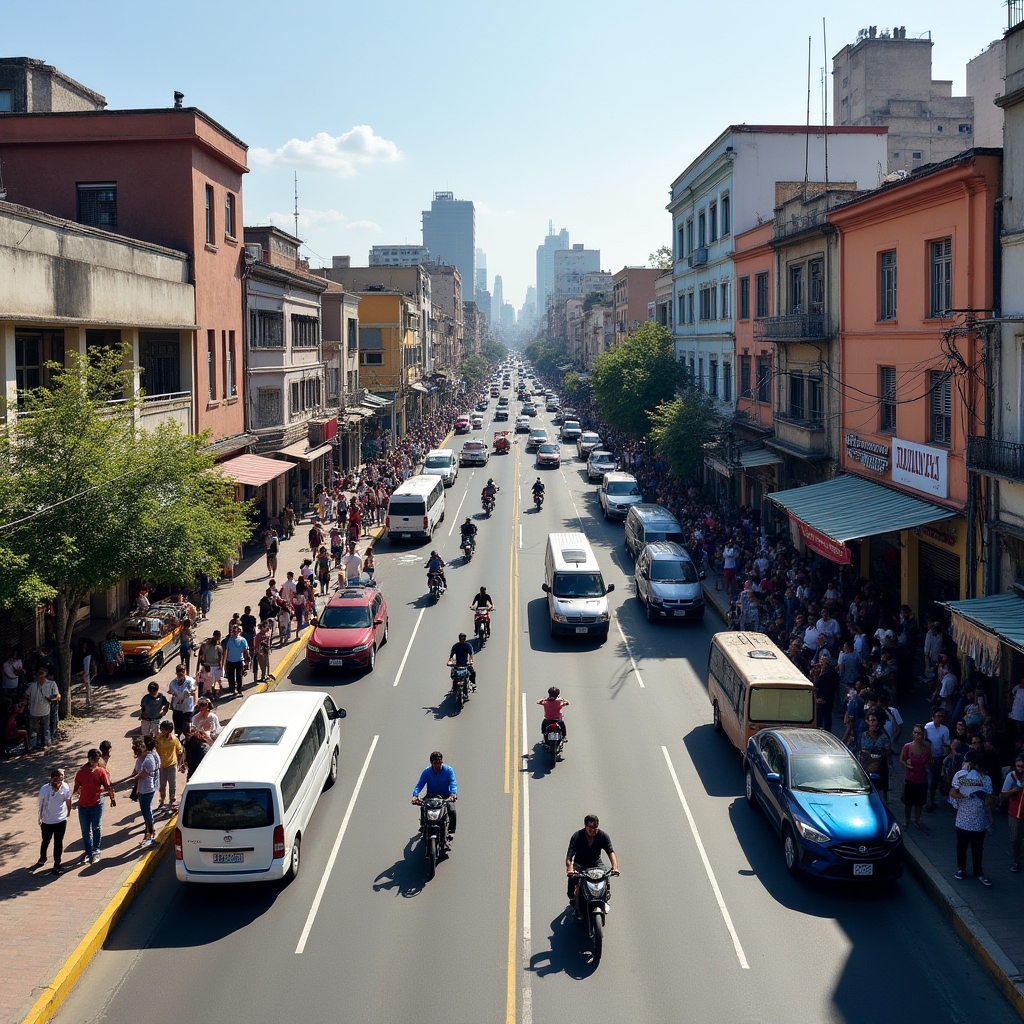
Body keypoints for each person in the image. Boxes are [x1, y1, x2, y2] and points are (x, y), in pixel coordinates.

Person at [950, 751, 993, 886]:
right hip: (963, 818)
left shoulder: (986, 779)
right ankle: (961, 868)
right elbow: (953, 792)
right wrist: (964, 796)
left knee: (978, 847)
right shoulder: (962, 776)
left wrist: (987, 800)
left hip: (979, 819)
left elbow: (989, 797)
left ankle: (978, 871)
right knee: (961, 846)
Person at [565, 814, 620, 909]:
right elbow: (569, 857)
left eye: (595, 827)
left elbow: (610, 852)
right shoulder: (577, 837)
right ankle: (573, 899)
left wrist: (615, 867)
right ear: (585, 825)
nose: (593, 830)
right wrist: (570, 868)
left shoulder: (603, 836)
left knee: (605, 876)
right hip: (580, 863)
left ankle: (606, 897)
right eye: (591, 827)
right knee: (572, 879)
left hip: (596, 862)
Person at [72, 748, 116, 865]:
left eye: (98, 760)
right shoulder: (81, 773)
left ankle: (96, 851)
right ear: (89, 759)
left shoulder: (101, 771)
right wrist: (75, 796)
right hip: (83, 806)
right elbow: (76, 789)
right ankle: (88, 852)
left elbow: (107, 786)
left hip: (97, 804)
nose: (96, 762)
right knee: (85, 831)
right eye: (94, 760)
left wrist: (112, 798)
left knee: (96, 828)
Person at [411, 751, 458, 848]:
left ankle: (450, 832)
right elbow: (419, 785)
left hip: (445, 796)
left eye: (439, 762)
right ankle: (424, 825)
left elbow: (453, 783)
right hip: (431, 795)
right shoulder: (427, 772)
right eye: (435, 763)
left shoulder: (449, 770)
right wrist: (415, 795)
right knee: (423, 807)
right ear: (431, 763)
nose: (438, 765)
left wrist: (453, 794)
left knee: (452, 811)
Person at [35, 768, 72, 874]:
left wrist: (68, 811)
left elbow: (68, 800)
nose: (57, 782)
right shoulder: (45, 789)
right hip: (47, 820)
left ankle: (57, 863)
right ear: (51, 779)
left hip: (60, 820)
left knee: (58, 842)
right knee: (45, 840)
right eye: (55, 780)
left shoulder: (65, 787)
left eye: (59, 780)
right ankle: (42, 858)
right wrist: (40, 818)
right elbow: (40, 804)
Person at [128, 735, 161, 847]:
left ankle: (150, 835)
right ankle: (148, 831)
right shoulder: (151, 755)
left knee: (147, 813)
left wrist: (134, 779)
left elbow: (142, 774)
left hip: (146, 789)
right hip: (148, 787)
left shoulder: (148, 759)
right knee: (147, 811)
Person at [899, 724, 934, 830]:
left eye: (920, 733)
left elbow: (931, 760)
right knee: (908, 802)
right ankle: (907, 820)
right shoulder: (907, 746)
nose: (918, 735)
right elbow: (901, 759)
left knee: (920, 802)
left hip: (922, 778)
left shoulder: (927, 746)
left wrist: (929, 764)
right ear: (912, 734)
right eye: (916, 732)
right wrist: (907, 765)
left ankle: (917, 820)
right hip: (910, 777)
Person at [858, 712, 891, 802]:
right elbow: (860, 752)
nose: (873, 723)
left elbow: (887, 752)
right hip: (865, 769)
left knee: (882, 797)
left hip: (880, 769)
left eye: (875, 721)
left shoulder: (884, 737)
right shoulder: (862, 736)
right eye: (871, 720)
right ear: (867, 722)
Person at [1000, 755, 1024, 872]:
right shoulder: (1012, 776)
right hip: (1015, 813)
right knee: (1015, 838)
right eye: (1018, 766)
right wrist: (1014, 791)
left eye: (1022, 766)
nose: (1020, 768)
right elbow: (1004, 793)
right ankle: (1015, 860)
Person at [924, 707, 951, 811]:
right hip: (928, 757)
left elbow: (946, 743)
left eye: (942, 716)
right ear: (933, 717)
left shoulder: (945, 729)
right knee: (929, 780)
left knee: (935, 780)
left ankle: (932, 799)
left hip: (939, 757)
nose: (940, 718)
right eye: (938, 716)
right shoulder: (927, 727)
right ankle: (928, 801)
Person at [27, 668, 60, 750]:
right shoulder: (32, 685)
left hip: (45, 710)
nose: (41, 678)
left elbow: (58, 696)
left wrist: (52, 700)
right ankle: (33, 746)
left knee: (45, 729)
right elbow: (26, 695)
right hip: (34, 711)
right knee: (35, 730)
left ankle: (45, 744)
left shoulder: (51, 684)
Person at [155, 720, 183, 812]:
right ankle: (162, 799)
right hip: (161, 766)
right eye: (162, 730)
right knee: (162, 785)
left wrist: (179, 764)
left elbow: (180, 751)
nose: (163, 732)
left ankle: (172, 800)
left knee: (172, 784)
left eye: (165, 730)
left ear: (169, 730)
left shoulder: (174, 739)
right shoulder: (158, 739)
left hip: (172, 764)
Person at [168, 664, 197, 736]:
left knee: (186, 727)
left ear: (185, 672)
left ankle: (187, 742)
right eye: (178, 672)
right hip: (177, 708)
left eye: (182, 672)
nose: (180, 674)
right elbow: (170, 692)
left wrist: (190, 693)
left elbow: (194, 689)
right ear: (176, 673)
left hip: (188, 708)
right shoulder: (173, 683)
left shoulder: (191, 681)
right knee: (177, 728)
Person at [223, 623, 250, 697]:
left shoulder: (242, 640)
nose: (234, 633)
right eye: (233, 631)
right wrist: (225, 663)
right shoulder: (229, 640)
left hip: (239, 660)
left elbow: (246, 649)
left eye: (236, 631)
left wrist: (247, 659)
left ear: (238, 631)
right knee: (231, 676)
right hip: (230, 660)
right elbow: (227, 651)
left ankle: (239, 689)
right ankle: (232, 689)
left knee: (239, 675)